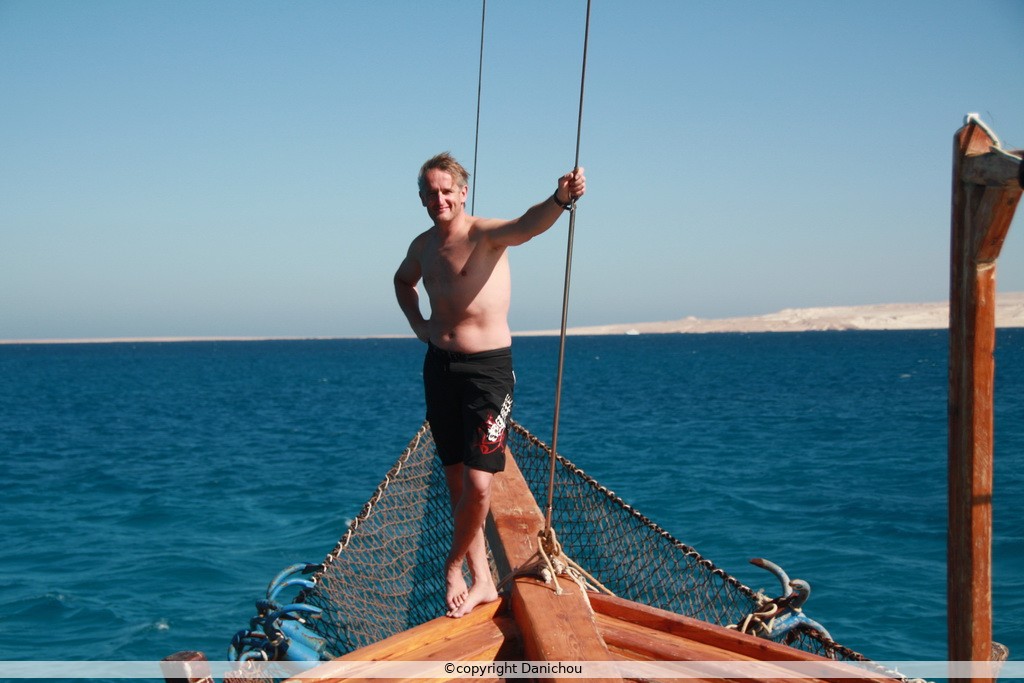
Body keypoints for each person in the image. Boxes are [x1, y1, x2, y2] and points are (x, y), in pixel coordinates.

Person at [394, 152, 586, 618]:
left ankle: (453, 565)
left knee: (479, 485)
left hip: (487, 374)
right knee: (456, 479)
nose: (439, 199)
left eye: (447, 191)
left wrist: (559, 198)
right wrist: (419, 325)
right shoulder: (422, 246)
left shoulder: (485, 234)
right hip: (439, 368)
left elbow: (527, 225)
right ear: (422, 199)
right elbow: (402, 281)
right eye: (431, 193)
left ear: (463, 193)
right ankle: (482, 578)